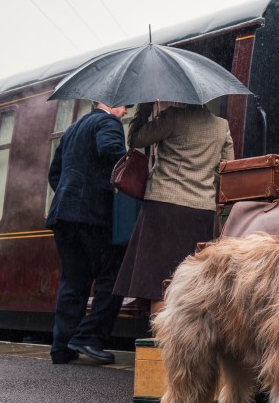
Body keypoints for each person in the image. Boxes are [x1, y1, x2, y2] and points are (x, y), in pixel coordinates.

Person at [112, 103, 233, 315]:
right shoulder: (221, 126)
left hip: (164, 208)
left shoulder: (173, 117)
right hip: (202, 212)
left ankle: (161, 345)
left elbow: (136, 140)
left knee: (160, 283)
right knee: (192, 285)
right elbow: (227, 167)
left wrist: (143, 111)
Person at [47, 102, 128, 365]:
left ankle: (61, 348)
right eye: (124, 105)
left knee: (73, 281)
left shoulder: (72, 129)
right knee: (113, 275)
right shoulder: (108, 123)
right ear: (108, 102)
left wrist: (70, 194)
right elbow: (112, 150)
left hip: (63, 214)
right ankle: (90, 337)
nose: (125, 111)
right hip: (93, 215)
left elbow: (54, 173)